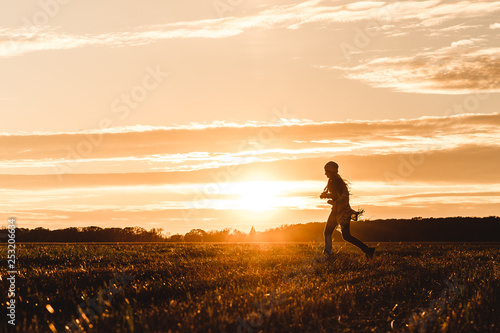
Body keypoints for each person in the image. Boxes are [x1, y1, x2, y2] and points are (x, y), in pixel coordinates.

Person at [320, 161, 375, 259]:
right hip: (343, 211)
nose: (325, 173)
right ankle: (367, 250)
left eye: (326, 171)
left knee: (327, 232)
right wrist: (326, 196)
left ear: (331, 171)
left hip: (339, 212)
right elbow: (337, 195)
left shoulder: (336, 181)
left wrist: (334, 202)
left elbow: (344, 195)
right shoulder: (334, 181)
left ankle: (328, 254)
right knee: (346, 236)